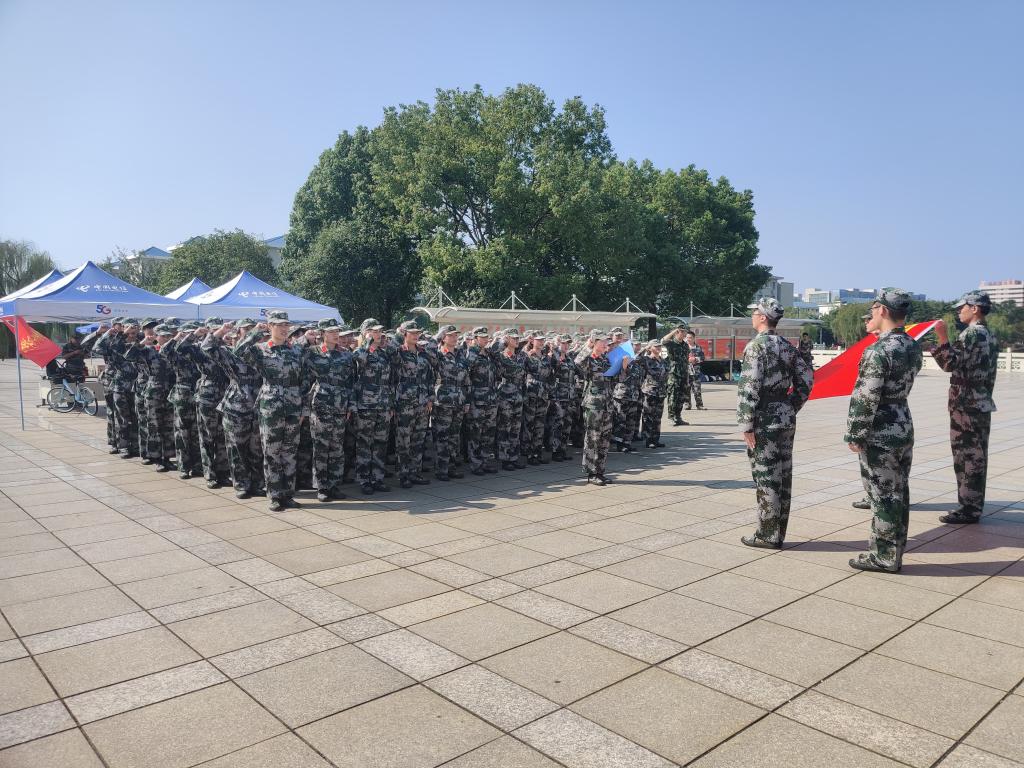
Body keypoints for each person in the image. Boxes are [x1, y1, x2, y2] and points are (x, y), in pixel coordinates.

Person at [845, 289, 923, 573]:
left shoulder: (879, 350)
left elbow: (867, 396)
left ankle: (884, 556)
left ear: (883, 310)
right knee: (899, 491)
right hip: (902, 421)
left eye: (874, 307)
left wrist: (855, 433)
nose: (872, 312)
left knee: (883, 494)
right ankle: (894, 551)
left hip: (881, 429)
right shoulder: (912, 345)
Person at [737, 298, 814, 549]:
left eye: (754, 312)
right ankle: (777, 532)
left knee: (766, 476)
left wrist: (746, 424)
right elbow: (806, 380)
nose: (752, 316)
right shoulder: (787, 346)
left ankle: (767, 535)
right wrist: (791, 405)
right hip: (784, 415)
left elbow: (749, 387)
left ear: (762, 317)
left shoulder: (755, 347)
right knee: (783, 475)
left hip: (764, 419)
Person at [931, 290, 999, 524]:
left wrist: (942, 337)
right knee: (977, 455)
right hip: (980, 401)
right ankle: (972, 505)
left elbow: (949, 363)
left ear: (975, 309)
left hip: (966, 405)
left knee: (967, 457)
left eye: (963, 307)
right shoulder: (989, 334)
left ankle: (969, 508)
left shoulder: (971, 334)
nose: (959, 311)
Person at [238, 310, 308, 512]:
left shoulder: (296, 350)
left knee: (290, 452)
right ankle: (275, 495)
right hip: (271, 407)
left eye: (286, 325)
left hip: (293, 406)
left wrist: (304, 408)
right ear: (269, 327)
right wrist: (254, 332)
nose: (284, 328)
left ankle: (288, 494)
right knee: (271, 452)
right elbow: (238, 351)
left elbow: (304, 381)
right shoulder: (260, 349)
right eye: (279, 325)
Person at [199, 319, 265, 499]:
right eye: (247, 329)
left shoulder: (262, 353)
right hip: (237, 406)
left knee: (256, 448)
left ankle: (257, 483)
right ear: (238, 333)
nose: (252, 332)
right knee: (237, 448)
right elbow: (206, 347)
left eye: (253, 329)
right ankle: (241, 484)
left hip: (259, 405)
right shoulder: (229, 353)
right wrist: (221, 331)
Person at [305, 319, 356, 502]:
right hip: (321, 404)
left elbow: (351, 381)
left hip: (340, 404)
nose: (335, 334)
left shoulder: (346, 355)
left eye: (337, 331)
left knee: (337, 447)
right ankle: (321, 487)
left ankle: (334, 485)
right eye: (331, 331)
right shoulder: (313, 352)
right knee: (321, 447)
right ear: (322, 333)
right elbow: (304, 379)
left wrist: (350, 404)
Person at [124, 324, 176, 472]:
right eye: (163, 336)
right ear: (156, 336)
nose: (166, 338)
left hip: (170, 392)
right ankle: (156, 457)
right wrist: (142, 343)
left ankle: (167, 458)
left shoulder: (173, 350)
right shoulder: (147, 350)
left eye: (168, 336)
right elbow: (128, 356)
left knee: (168, 426)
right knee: (154, 426)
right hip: (153, 393)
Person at [353, 318, 395, 495]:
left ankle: (377, 478)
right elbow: (360, 362)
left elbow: (389, 381)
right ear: (365, 333)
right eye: (373, 331)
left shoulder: (384, 354)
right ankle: (364, 480)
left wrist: (390, 404)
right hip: (366, 405)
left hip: (383, 404)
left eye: (379, 331)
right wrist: (367, 342)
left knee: (381, 443)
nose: (378, 334)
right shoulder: (360, 352)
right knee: (365, 443)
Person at [576, 329, 620, 485]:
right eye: (602, 341)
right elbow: (578, 362)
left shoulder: (605, 360)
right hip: (594, 405)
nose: (605, 343)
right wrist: (588, 346)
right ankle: (591, 472)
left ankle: (600, 471)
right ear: (594, 342)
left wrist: (623, 366)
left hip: (607, 404)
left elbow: (615, 379)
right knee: (593, 438)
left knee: (605, 439)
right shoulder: (589, 359)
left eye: (606, 341)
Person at [394, 320, 433, 488]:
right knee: (404, 440)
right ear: (404, 334)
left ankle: (415, 472)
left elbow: (430, 377)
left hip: (422, 401)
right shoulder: (398, 352)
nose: (416, 335)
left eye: (418, 333)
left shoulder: (423, 353)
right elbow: (391, 377)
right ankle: (403, 474)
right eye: (412, 333)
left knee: (418, 439)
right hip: (405, 402)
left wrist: (430, 397)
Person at [162, 322, 203, 479]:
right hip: (182, 395)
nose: (192, 336)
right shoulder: (176, 352)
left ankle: (198, 466)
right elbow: (164, 351)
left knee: (197, 433)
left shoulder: (198, 350)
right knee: (182, 432)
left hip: (198, 394)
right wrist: (177, 337)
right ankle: (184, 466)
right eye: (188, 333)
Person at [431, 324, 470, 481]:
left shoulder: (460, 355)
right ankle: (441, 469)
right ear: (443, 337)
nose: (455, 338)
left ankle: (452, 467)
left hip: (459, 400)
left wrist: (467, 400)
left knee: (454, 437)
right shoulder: (438, 354)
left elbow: (466, 380)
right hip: (444, 401)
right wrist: (437, 337)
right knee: (442, 436)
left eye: (456, 335)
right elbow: (428, 350)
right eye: (451, 335)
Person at [491, 328, 528, 470]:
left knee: (515, 428)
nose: (517, 340)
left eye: (518, 338)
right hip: (506, 394)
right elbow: (493, 350)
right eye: (514, 338)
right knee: (504, 427)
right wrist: (502, 340)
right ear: (507, 339)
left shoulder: (520, 356)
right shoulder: (501, 355)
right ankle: (504, 458)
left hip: (518, 394)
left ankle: (513, 457)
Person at [464, 326, 498, 475]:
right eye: (482, 337)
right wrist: (467, 398)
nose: (485, 339)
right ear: (475, 338)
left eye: (486, 336)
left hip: (491, 398)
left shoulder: (489, 353)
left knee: (488, 432)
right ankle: (475, 464)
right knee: (476, 432)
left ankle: (485, 462)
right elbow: (466, 374)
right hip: (477, 399)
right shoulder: (472, 353)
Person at [610, 329, 642, 452]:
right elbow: (621, 375)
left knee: (631, 421)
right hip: (622, 396)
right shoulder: (619, 361)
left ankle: (627, 443)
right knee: (620, 421)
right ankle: (619, 444)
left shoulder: (636, 363)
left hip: (633, 395)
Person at [547, 334, 576, 462]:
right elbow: (550, 371)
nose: (566, 346)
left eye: (567, 343)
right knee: (558, 424)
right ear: (558, 344)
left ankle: (563, 449)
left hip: (569, 397)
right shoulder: (553, 357)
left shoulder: (569, 359)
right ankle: (555, 451)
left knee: (567, 425)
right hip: (559, 396)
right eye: (563, 343)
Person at [639, 339, 668, 448]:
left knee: (657, 417)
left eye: (659, 346)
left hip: (660, 392)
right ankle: (648, 440)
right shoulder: (646, 360)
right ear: (650, 348)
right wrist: (644, 348)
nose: (658, 348)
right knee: (648, 416)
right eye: (656, 346)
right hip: (650, 392)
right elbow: (635, 358)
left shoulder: (662, 360)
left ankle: (656, 439)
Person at [661, 324, 690, 426]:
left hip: (684, 373)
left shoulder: (685, 345)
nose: (684, 334)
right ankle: (672, 416)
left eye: (685, 332)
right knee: (673, 396)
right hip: (673, 374)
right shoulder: (671, 343)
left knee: (681, 396)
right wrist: (674, 331)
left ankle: (678, 416)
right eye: (682, 332)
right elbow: (663, 341)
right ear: (677, 332)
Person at [684, 331, 707, 410]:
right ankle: (687, 405)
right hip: (686, 371)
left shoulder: (698, 348)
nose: (688, 339)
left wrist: (695, 359)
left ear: (694, 338)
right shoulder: (683, 347)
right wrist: (687, 360)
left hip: (695, 372)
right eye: (687, 337)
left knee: (697, 389)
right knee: (686, 389)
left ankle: (699, 405)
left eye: (690, 338)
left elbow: (703, 358)